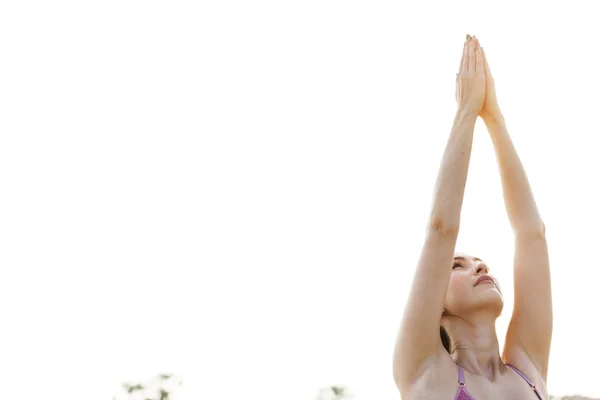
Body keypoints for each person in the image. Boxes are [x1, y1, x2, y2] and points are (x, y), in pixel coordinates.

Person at [392, 35, 552, 399]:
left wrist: (494, 116)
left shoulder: (529, 370)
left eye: (480, 263)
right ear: (438, 303)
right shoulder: (423, 370)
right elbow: (441, 229)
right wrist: (466, 111)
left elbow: (532, 235)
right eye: (458, 266)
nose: (480, 268)